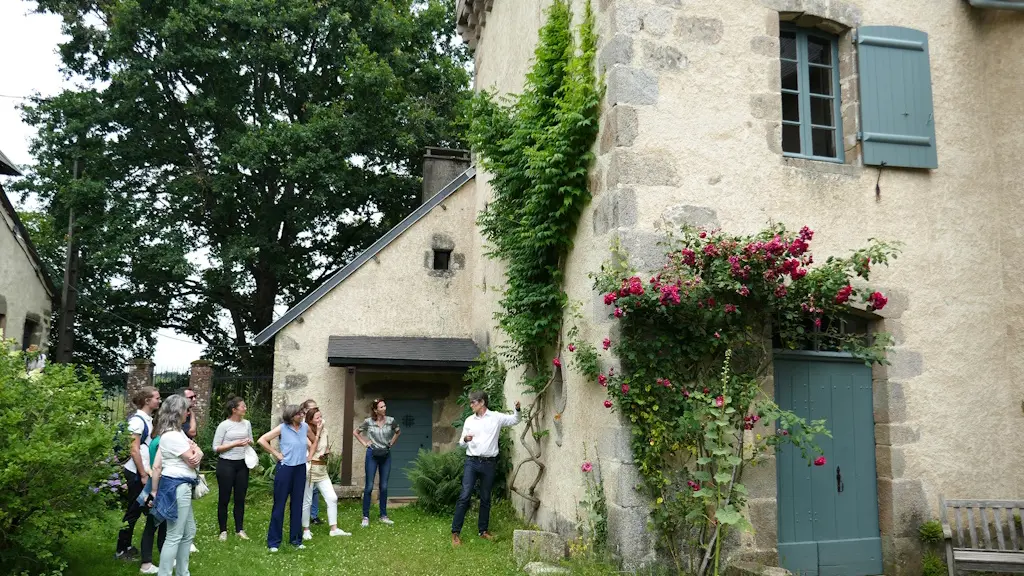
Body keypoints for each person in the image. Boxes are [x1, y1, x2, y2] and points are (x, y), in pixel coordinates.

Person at [450, 391, 521, 546]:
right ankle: (455, 533)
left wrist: (517, 409)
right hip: (472, 462)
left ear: (482, 402)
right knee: (465, 495)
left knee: (486, 497)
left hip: (489, 463)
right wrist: (465, 439)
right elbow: (461, 442)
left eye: (472, 402)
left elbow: (515, 420)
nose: (470, 405)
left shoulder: (496, 417)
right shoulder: (469, 420)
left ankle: (483, 531)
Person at [149, 395, 203, 576]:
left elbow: (195, 455)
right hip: (178, 487)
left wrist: (197, 452)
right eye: (185, 409)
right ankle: (164, 573)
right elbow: (194, 461)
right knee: (174, 536)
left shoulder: (176, 433)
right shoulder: (173, 436)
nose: (188, 413)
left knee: (189, 532)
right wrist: (197, 451)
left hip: (180, 486)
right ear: (177, 411)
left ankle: (182, 573)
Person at [115, 386, 161, 561]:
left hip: (141, 471)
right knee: (133, 510)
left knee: (140, 508)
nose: (159, 400)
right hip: (136, 472)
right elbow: (134, 450)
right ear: (147, 401)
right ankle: (121, 549)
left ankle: (128, 546)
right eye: (156, 398)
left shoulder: (147, 419)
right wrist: (143, 474)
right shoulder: (137, 421)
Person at [258, 404, 310, 552]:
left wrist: (311, 453)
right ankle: (274, 542)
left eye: (302, 413)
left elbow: (313, 440)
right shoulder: (282, 428)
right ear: (291, 416)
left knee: (297, 504)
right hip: (286, 469)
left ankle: (296, 540)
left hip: (300, 468)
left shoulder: (305, 427)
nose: (302, 415)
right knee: (279, 505)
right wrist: (277, 454)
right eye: (299, 414)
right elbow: (262, 440)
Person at [301, 407, 350, 539]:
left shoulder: (325, 430)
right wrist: (318, 432)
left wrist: (327, 453)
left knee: (332, 497)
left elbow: (325, 447)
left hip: (322, 470)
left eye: (321, 416)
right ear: (310, 420)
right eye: (317, 417)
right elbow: (313, 447)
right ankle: (306, 530)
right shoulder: (305, 430)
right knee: (307, 500)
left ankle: (334, 529)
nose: (320, 419)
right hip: (310, 469)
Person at [353, 398, 401, 528]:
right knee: (369, 486)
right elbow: (356, 432)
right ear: (375, 410)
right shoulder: (368, 422)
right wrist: (365, 443)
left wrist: (391, 443)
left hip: (385, 454)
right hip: (372, 454)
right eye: (381, 407)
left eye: (384, 406)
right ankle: (365, 516)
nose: (384, 408)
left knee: (384, 486)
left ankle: (383, 515)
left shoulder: (391, 421)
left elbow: (398, 432)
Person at [212, 396, 253, 542]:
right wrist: (234, 444)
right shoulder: (224, 425)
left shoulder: (247, 424)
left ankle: (239, 529)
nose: (245, 408)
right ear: (234, 410)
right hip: (226, 464)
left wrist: (248, 442)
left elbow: (251, 440)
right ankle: (223, 530)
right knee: (224, 497)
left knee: (240, 498)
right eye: (243, 406)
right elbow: (216, 447)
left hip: (242, 464)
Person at [137, 409, 169, 574]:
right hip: (157, 487)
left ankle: (164, 558)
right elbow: (157, 467)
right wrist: (155, 491)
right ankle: (146, 564)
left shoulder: (157, 439)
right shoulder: (161, 441)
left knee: (162, 524)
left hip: (157, 486)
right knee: (152, 525)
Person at [300, 399, 322, 525]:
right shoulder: (302, 425)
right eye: (311, 409)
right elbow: (311, 444)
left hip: (315, 457)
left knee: (314, 489)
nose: (315, 411)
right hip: (305, 458)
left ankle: (314, 515)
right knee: (306, 489)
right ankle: (305, 516)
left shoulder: (317, 423)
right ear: (305, 410)